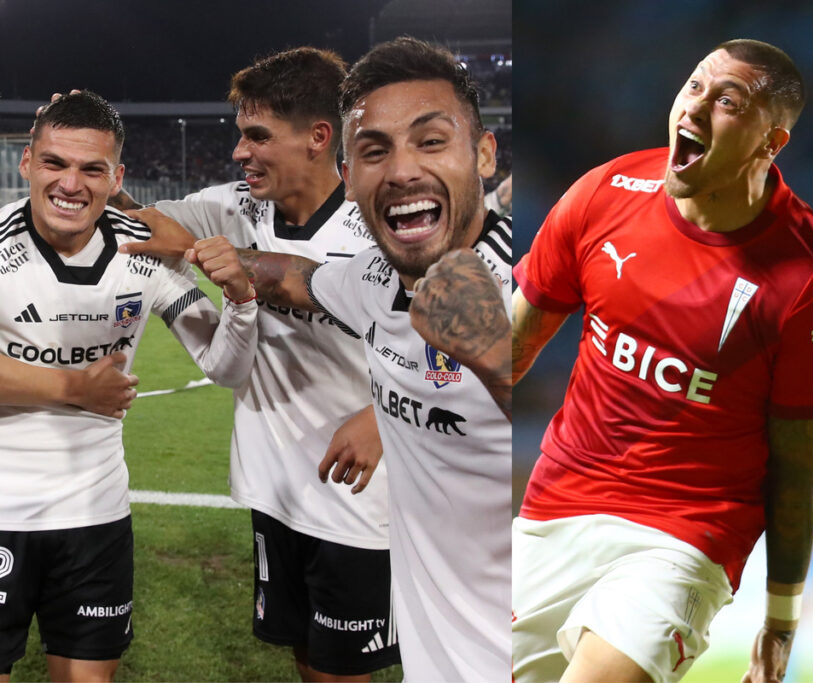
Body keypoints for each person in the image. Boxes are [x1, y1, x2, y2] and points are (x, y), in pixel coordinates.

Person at [510, 39, 813, 682]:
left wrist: (780, 619)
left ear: (770, 143)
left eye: (727, 100)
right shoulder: (604, 194)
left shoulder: (810, 274)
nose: (695, 107)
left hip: (682, 538)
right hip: (554, 512)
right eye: (694, 86)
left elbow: (794, 465)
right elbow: (506, 355)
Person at [176, 37, 510, 681]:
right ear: (350, 172)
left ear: (485, 154)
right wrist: (216, 257)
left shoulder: (536, 278)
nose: (403, 170)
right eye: (376, 150)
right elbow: (299, 278)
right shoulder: (372, 277)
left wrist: (496, 361)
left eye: (431, 141)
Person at [114, 47, 398, 681]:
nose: (240, 151)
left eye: (257, 136)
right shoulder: (234, 205)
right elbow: (138, 225)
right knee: (306, 657)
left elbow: (450, 340)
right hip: (277, 487)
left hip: (360, 499)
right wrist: (94, 169)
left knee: (342, 671)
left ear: (319, 137)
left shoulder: (381, 225)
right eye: (240, 135)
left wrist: (383, 418)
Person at [0, 91, 257, 682]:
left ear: (117, 176)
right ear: (27, 164)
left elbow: (225, 366)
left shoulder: (145, 249)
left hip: (95, 512)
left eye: (92, 169)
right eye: (55, 163)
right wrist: (73, 389)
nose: (71, 183)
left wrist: (241, 297)